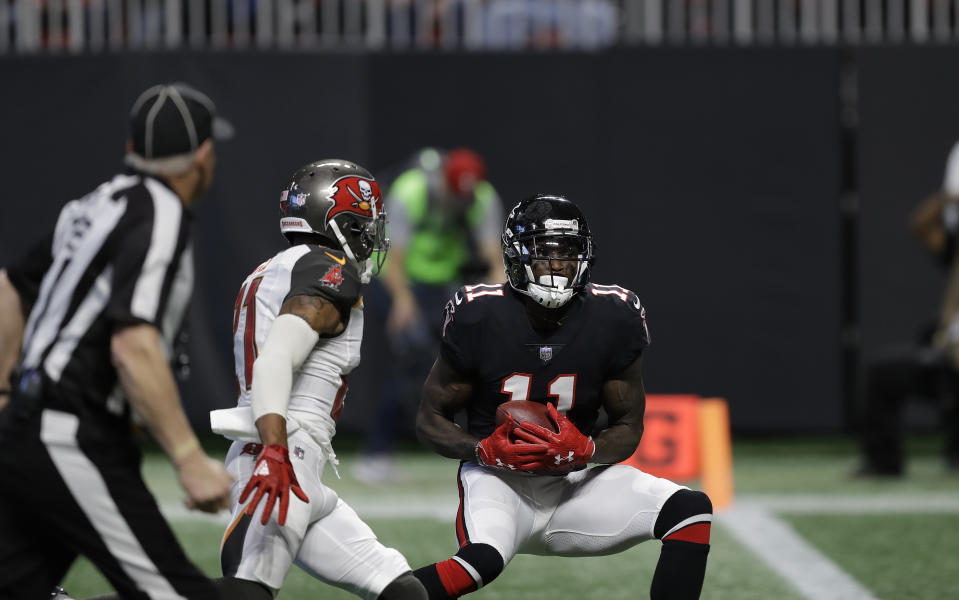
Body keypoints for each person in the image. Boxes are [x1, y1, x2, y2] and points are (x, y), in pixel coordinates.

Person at [411, 194, 713, 599]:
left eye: (567, 253)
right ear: (516, 256)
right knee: (480, 563)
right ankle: (386, 592)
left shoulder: (614, 315)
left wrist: (586, 449)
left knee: (689, 510)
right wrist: (482, 449)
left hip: (574, 483)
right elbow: (430, 418)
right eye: (544, 252)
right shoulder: (478, 314)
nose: (557, 264)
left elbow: (629, 426)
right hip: (499, 480)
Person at [0, 83, 234, 599]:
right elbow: (132, 344)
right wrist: (190, 458)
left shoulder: (93, 204)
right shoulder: (163, 214)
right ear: (202, 156)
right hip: (72, 432)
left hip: (29, 427)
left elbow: (10, 285)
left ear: (132, 150)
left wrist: (5, 391)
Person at [209, 160, 428, 600]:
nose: (372, 237)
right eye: (364, 225)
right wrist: (275, 450)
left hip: (295, 458)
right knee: (247, 592)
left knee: (403, 592)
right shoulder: (327, 269)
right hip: (282, 451)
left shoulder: (273, 268)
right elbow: (274, 360)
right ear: (339, 222)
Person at [356, 147, 505, 483]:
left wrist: (502, 300)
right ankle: (375, 454)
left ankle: (485, 447)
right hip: (401, 282)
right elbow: (391, 257)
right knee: (413, 365)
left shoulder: (481, 197)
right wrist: (403, 301)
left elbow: (493, 257)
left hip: (445, 283)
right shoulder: (411, 191)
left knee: (468, 361)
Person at [857, 143, 959, 476]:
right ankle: (883, 463)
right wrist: (949, 196)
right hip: (952, 360)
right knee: (886, 371)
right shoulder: (954, 244)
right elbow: (920, 226)